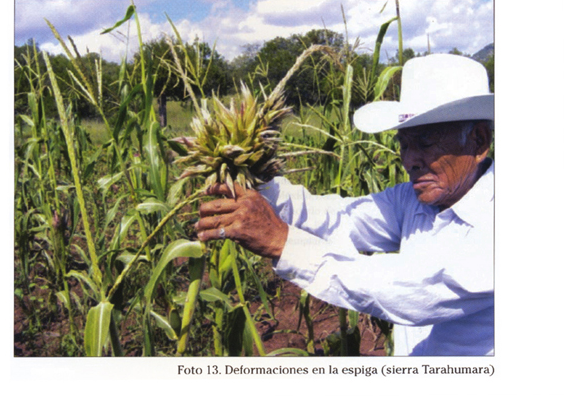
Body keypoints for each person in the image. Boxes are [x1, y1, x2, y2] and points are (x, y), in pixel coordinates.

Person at [194, 54, 495, 356]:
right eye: (403, 144)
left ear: (479, 142)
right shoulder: (414, 199)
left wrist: (281, 242)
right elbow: (340, 218)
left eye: (427, 143)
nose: (409, 160)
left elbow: (412, 290)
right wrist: (259, 186)